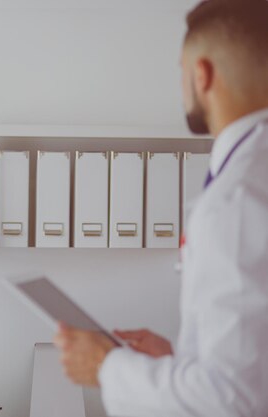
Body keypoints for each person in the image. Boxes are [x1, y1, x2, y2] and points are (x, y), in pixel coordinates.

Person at [55, 1, 268, 416]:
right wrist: (182, 360)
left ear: (201, 74)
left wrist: (107, 367)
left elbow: (233, 401)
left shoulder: (235, 200)